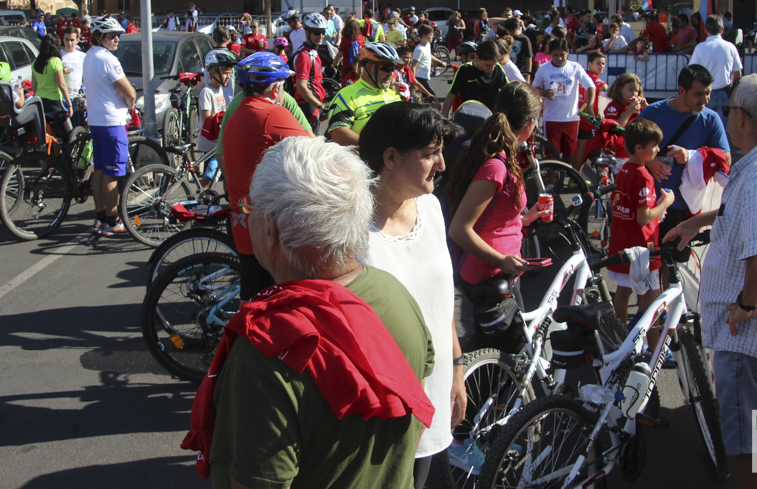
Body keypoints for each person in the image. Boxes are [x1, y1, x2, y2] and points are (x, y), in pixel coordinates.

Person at [184, 136, 435, 489]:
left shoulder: (267, 351)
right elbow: (415, 426)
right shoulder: (395, 294)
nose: (246, 216)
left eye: (249, 209)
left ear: (271, 230)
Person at [663, 73, 757, 489]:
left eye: (731, 110)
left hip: (750, 339)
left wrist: (745, 305)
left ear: (743, 119)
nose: (727, 116)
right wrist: (701, 219)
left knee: (751, 453)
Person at [359, 102, 466, 488]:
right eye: (429, 154)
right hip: (380, 408)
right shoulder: (349, 230)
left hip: (434, 392)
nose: (441, 164)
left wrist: (457, 370)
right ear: (390, 157)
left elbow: (441, 302)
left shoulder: (432, 208)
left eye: (440, 151)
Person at [446, 83, 542, 347]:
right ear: (530, 124)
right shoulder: (495, 166)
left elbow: (491, 216)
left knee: (496, 357)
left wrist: (525, 218)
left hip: (498, 272)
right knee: (512, 359)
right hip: (489, 274)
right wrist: (503, 259)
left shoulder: (500, 155)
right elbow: (459, 229)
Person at [221, 53, 313, 299]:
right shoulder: (272, 113)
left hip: (243, 221)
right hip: (270, 227)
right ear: (275, 90)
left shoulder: (238, 113)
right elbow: (317, 153)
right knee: (286, 299)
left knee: (254, 298)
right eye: (284, 86)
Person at [639, 64, 730, 243]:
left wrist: (691, 155)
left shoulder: (711, 119)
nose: (705, 99)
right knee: (645, 261)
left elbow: (725, 159)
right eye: (699, 94)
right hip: (649, 203)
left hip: (686, 206)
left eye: (708, 93)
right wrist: (650, 162)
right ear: (682, 90)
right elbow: (630, 148)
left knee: (672, 262)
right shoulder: (652, 113)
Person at [608, 118, 674, 351]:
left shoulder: (623, 168)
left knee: (623, 293)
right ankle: (655, 350)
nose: (658, 150)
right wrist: (665, 202)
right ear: (639, 148)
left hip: (622, 243)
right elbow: (643, 217)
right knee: (651, 300)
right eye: (654, 146)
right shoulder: (644, 176)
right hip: (642, 249)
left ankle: (621, 343)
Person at [81, 17, 136, 237]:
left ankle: (100, 217)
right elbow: (129, 92)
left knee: (100, 171)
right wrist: (131, 106)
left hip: (96, 120)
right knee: (113, 174)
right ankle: (113, 220)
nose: (117, 39)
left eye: (118, 35)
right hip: (113, 122)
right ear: (99, 37)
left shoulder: (89, 56)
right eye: (112, 35)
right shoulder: (108, 60)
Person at [531, 37, 594, 163]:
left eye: (562, 55)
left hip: (571, 118)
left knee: (569, 153)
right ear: (550, 54)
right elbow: (533, 89)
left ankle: (565, 176)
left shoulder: (575, 67)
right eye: (555, 55)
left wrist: (589, 106)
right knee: (551, 153)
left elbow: (591, 86)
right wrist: (544, 92)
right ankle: (552, 183)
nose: (559, 58)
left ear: (568, 53)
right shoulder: (544, 68)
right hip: (551, 118)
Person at [327, 42, 403, 146]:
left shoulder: (393, 96)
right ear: (370, 67)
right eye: (386, 68)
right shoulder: (346, 95)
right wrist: (373, 148)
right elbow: (338, 133)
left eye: (393, 68)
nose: (390, 73)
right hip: (360, 160)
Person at [689, 14, 743, 118]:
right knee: (722, 130)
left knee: (704, 127)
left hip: (704, 94)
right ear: (722, 29)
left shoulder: (700, 48)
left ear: (705, 30)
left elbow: (692, 72)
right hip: (725, 93)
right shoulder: (731, 47)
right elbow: (737, 74)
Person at [441, 39, 509, 117]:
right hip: (469, 117)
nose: (492, 69)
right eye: (488, 65)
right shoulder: (465, 69)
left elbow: (507, 90)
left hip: (490, 117)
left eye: (494, 65)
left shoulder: (498, 68)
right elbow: (452, 94)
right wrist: (444, 117)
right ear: (477, 58)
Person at [198, 51, 235, 186]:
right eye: (225, 73)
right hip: (210, 142)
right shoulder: (207, 92)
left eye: (230, 73)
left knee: (225, 173)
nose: (228, 77)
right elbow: (207, 118)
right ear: (212, 73)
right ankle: (204, 198)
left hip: (219, 140)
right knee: (209, 175)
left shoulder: (220, 90)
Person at [291, 13, 329, 130]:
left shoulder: (312, 52)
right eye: (316, 32)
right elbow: (301, 87)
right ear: (307, 32)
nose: (321, 36)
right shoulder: (304, 55)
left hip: (313, 104)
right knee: (310, 141)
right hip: (308, 105)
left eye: (323, 32)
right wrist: (320, 105)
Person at [32, 34, 72, 141]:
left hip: (40, 101)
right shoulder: (55, 61)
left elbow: (34, 86)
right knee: (68, 133)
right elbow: (61, 85)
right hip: (54, 102)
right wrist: (69, 104)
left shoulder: (36, 63)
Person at [574, 50, 607, 168]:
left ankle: (569, 174)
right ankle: (575, 178)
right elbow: (604, 87)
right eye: (598, 63)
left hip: (576, 118)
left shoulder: (582, 75)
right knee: (582, 150)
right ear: (590, 64)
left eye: (603, 64)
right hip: (586, 120)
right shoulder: (593, 78)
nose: (601, 66)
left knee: (575, 149)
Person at [411, 24, 444, 102]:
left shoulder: (427, 45)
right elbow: (413, 66)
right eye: (431, 35)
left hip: (425, 77)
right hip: (420, 79)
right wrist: (413, 82)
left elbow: (429, 55)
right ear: (424, 36)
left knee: (422, 101)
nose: (433, 37)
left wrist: (440, 62)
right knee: (434, 100)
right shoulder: (419, 49)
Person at [337, 18, 367, 85]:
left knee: (347, 83)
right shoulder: (361, 37)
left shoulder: (346, 39)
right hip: (359, 64)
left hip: (347, 65)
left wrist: (334, 64)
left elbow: (340, 53)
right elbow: (365, 48)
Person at [60, 29, 85, 96]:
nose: (69, 43)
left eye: (72, 40)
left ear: (77, 40)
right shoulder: (58, 55)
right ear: (63, 39)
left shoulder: (83, 56)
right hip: (61, 96)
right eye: (67, 39)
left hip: (78, 96)